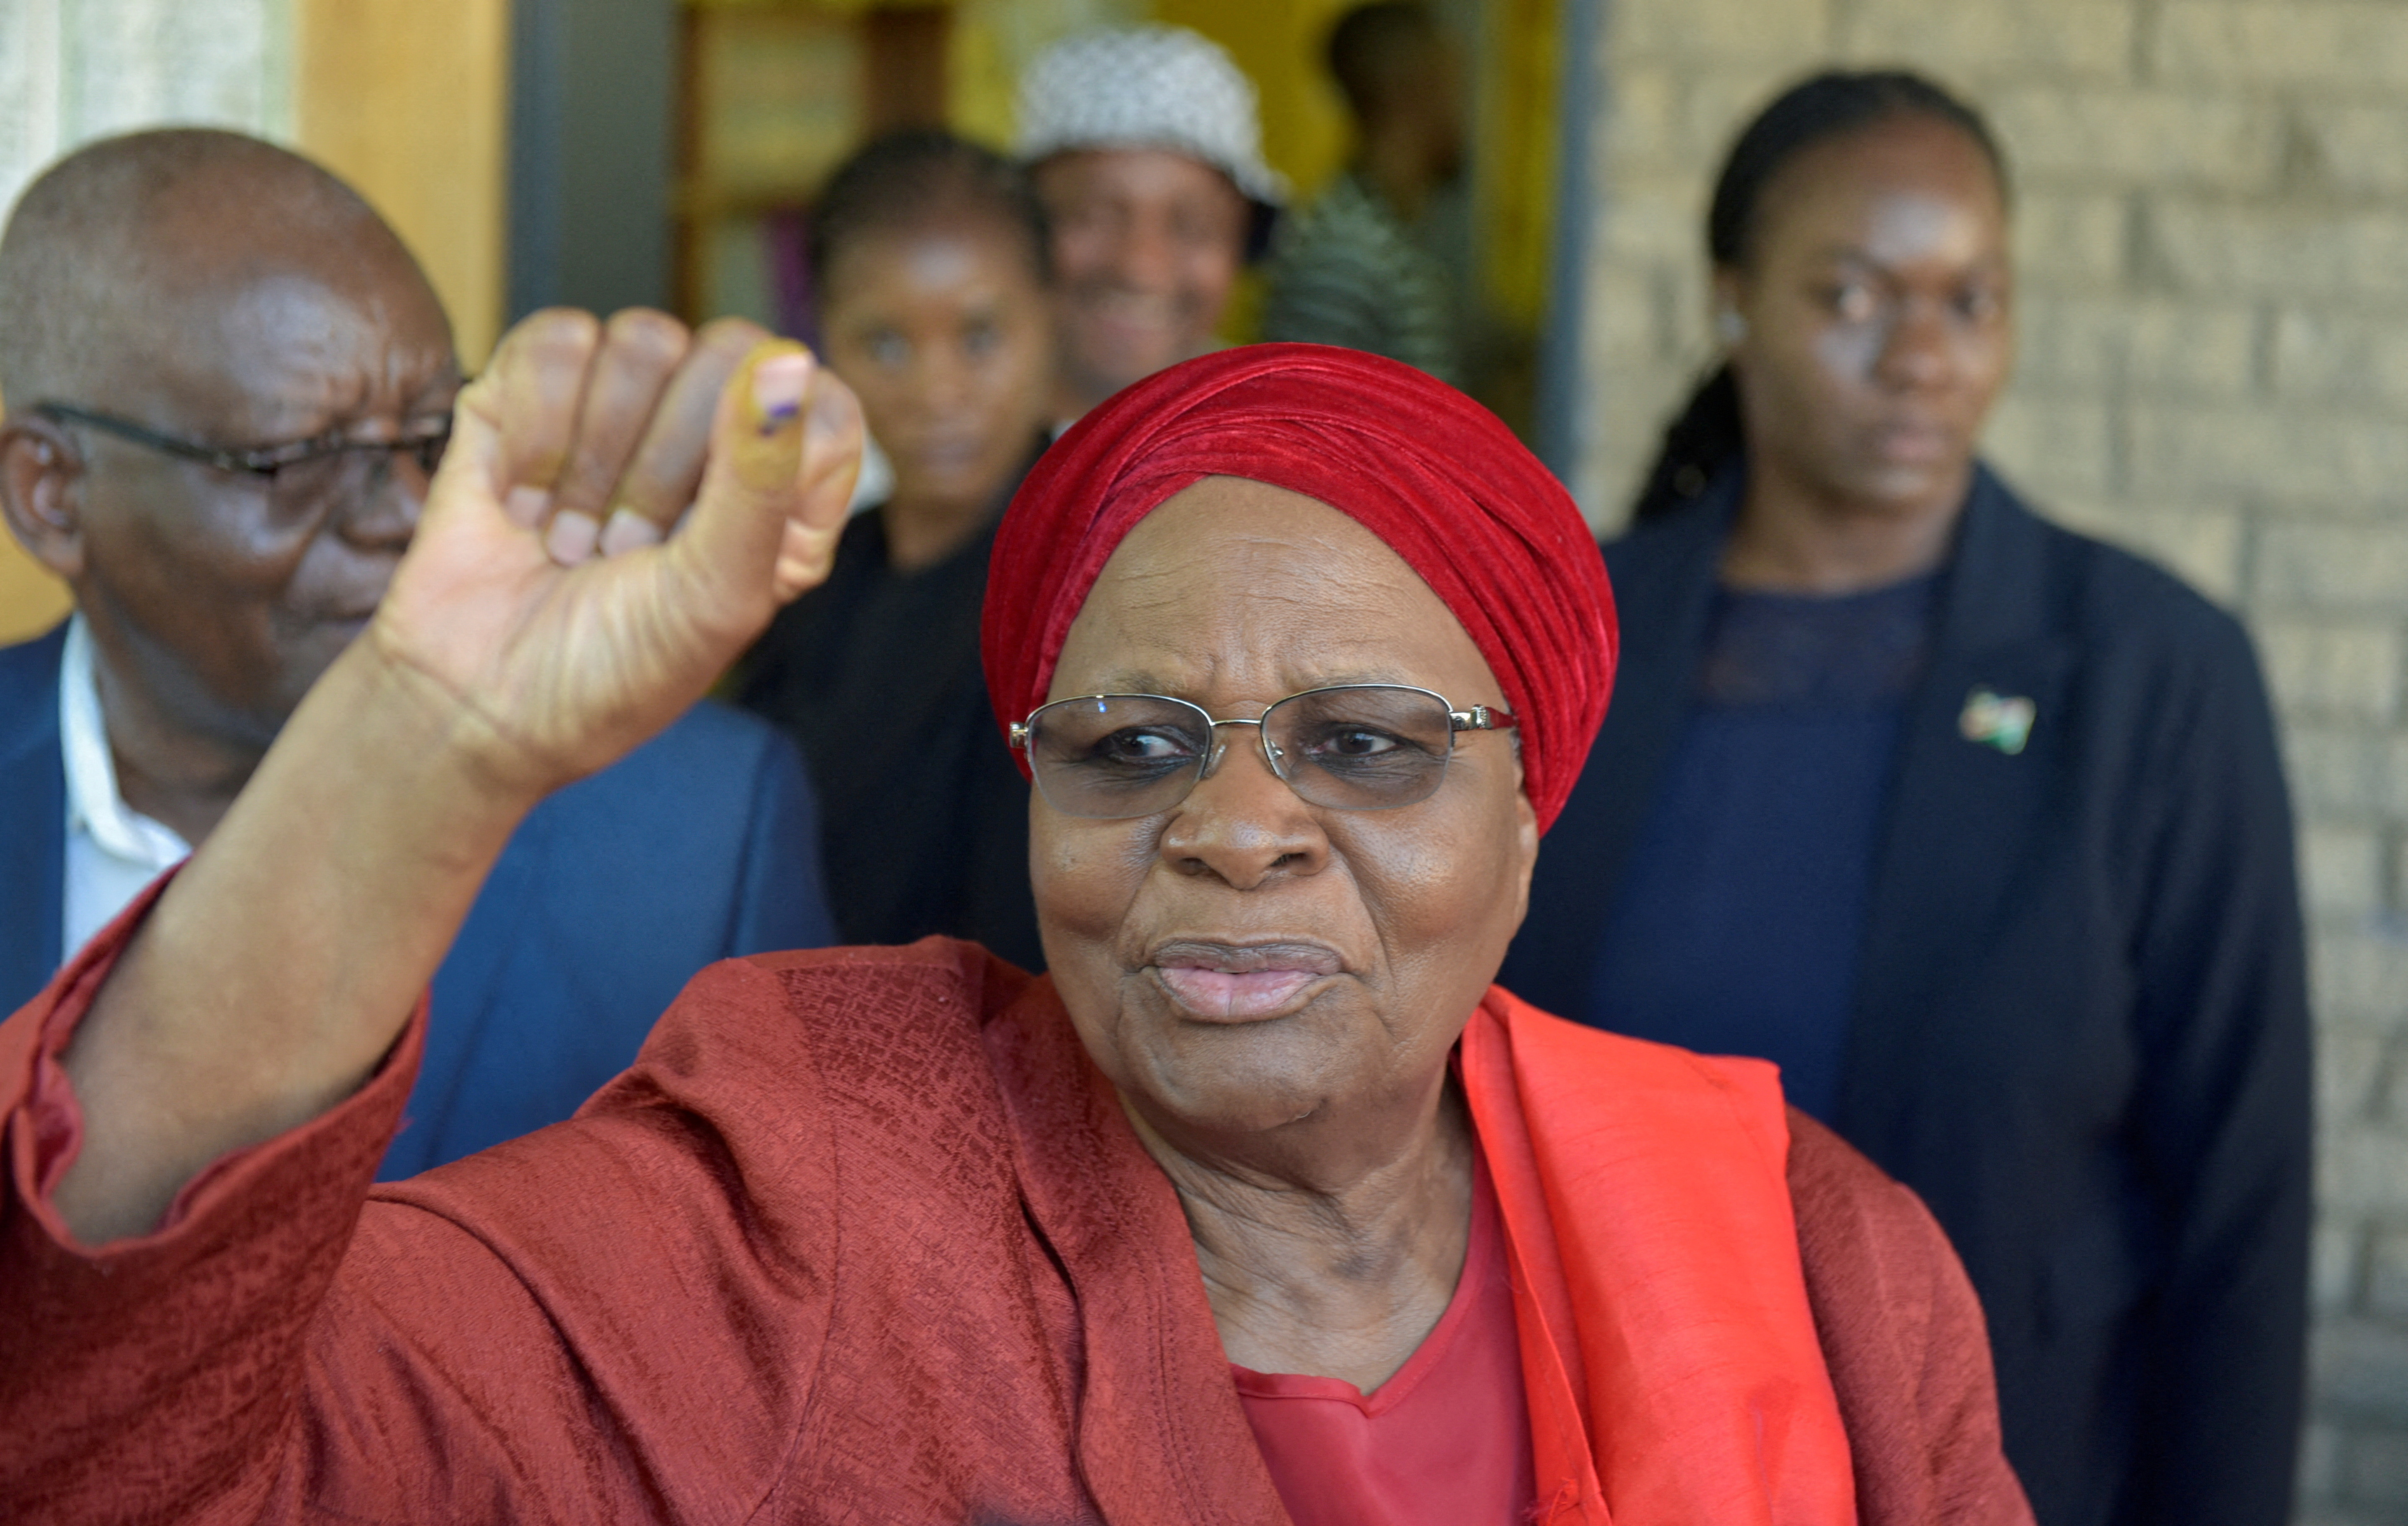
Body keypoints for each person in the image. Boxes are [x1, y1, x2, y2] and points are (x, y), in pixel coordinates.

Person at [0, 333, 2032, 1525]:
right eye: (1129, 741)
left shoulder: (1805, 1248)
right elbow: (120, 1449)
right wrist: (426, 747)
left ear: (1526, 814)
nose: (1234, 826)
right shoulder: (810, 1186)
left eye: (1363, 744)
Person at [1501, 72, 2309, 1526]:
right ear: (1735, 299)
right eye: (1855, 296)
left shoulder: (2150, 670)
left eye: (1969, 299)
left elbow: (2240, 1197)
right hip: (1599, 1454)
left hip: (2012, 1460)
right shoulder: (1575, 638)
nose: (1921, 356)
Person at [0, 129, 835, 1179]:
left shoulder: (698, 835)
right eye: (290, 460)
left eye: (436, 437)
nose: (407, 514)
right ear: (51, 492)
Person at [737, 130, 1053, 971]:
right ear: (825, 341)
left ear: (1047, 320)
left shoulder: (1083, 596)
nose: (936, 392)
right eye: (884, 344)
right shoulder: (811, 577)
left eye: (980, 337)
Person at [1016, 25, 1284, 420]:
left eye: (1193, 227)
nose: (1141, 269)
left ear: (1241, 242)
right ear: (1018, 224)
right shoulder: (917, 454)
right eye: (1094, 217)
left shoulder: (1274, 447)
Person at [1260, 2, 1465, 385]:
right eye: (1456, 87)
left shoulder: (1388, 233)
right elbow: (1309, 420)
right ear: (1418, 92)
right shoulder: (1344, 251)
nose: (1466, 112)